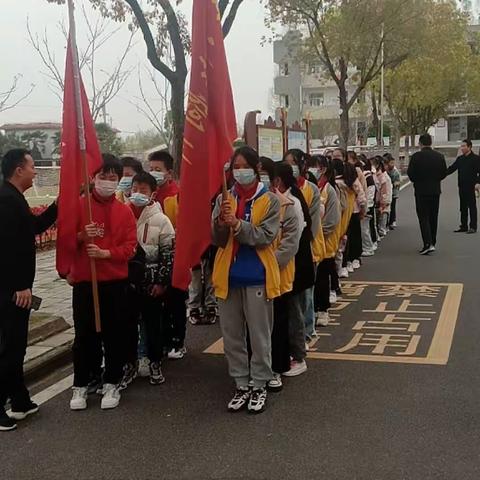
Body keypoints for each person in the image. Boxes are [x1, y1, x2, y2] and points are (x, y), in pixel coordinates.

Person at [212, 146, 281, 414]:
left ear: (256, 169)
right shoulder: (224, 198)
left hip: (257, 278)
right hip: (227, 277)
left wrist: (237, 225)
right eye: (234, 166)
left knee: (259, 335)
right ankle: (241, 383)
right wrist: (221, 222)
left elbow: (265, 236)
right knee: (232, 337)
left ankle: (260, 383)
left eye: (243, 166)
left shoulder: (270, 201)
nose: (238, 171)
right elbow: (217, 240)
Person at [69, 156, 137, 411]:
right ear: (93, 178)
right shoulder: (79, 207)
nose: (108, 183)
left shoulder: (124, 211)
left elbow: (130, 247)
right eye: (103, 177)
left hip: (114, 282)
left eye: (113, 179)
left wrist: (107, 254)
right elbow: (65, 242)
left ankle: (112, 381)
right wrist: (80, 236)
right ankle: (81, 384)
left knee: (114, 335)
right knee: (84, 336)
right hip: (86, 282)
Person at [0, 149, 57, 432]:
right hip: (11, 290)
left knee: (17, 346)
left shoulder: (13, 197)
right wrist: (19, 286)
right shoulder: (6, 200)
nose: (36, 171)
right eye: (33, 166)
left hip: (15, 288)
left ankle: (20, 400)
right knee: (10, 348)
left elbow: (33, 227)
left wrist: (59, 206)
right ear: (18, 169)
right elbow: (7, 249)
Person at [122, 172, 175, 387]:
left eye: (143, 190)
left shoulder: (162, 220)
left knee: (153, 325)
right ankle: (129, 364)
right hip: (126, 284)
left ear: (153, 194)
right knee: (126, 326)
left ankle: (154, 362)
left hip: (152, 284)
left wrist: (161, 283)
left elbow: (168, 255)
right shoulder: (122, 215)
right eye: (135, 189)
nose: (137, 194)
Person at [283, 148, 325, 345]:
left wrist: (303, 242)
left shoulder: (311, 189)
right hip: (290, 249)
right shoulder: (285, 190)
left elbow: (314, 223)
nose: (289, 167)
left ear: (301, 165)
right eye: (286, 162)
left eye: (292, 163)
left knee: (306, 294)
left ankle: (308, 331)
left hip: (307, 246)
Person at [407, 133, 447, 255]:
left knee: (423, 217)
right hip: (435, 190)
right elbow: (443, 173)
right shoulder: (439, 156)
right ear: (431, 142)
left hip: (421, 191)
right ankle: (432, 242)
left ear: (420, 143)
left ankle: (427, 243)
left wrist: (418, 181)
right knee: (433, 216)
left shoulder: (415, 157)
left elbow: (410, 174)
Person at [314, 156, 341, 326]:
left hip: (325, 241)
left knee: (323, 276)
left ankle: (323, 310)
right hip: (312, 243)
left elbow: (332, 220)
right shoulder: (311, 187)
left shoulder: (330, 190)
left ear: (322, 169)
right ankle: (315, 308)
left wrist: (316, 234)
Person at [446, 139, 480, 234]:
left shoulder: (476, 159)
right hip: (462, 186)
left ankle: (473, 226)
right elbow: (452, 168)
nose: (462, 148)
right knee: (463, 207)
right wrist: (441, 175)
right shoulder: (460, 159)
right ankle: (463, 226)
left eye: (464, 146)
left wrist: (478, 182)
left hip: (471, 186)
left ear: (469, 147)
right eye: (461, 146)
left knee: (472, 207)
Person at [361, 158, 377, 257]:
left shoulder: (367, 176)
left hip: (367, 206)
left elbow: (371, 192)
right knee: (366, 227)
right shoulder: (366, 176)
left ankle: (368, 247)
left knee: (365, 228)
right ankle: (368, 246)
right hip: (366, 205)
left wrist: (367, 206)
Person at [374, 157, 393, 238]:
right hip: (378, 201)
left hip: (383, 202)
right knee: (379, 218)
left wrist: (385, 202)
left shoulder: (384, 177)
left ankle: (382, 231)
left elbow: (387, 191)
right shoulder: (377, 175)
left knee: (382, 217)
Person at [384, 153, 401, 229]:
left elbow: (398, 181)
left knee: (392, 207)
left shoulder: (395, 172)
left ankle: (392, 221)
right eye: (391, 163)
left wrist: (395, 184)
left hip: (393, 192)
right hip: (386, 191)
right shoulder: (384, 171)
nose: (393, 164)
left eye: (393, 163)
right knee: (387, 207)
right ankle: (386, 222)